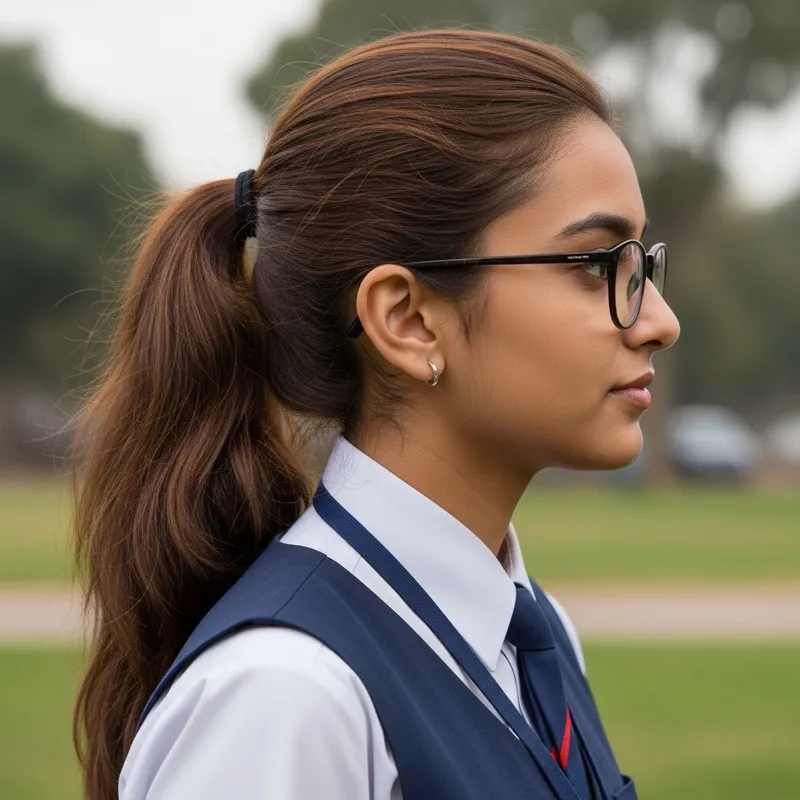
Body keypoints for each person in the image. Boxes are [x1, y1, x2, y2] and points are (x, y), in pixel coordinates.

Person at [70, 28, 680, 800]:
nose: (659, 319)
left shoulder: (536, 637)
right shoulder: (288, 697)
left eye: (641, 265)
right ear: (407, 319)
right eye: (598, 265)